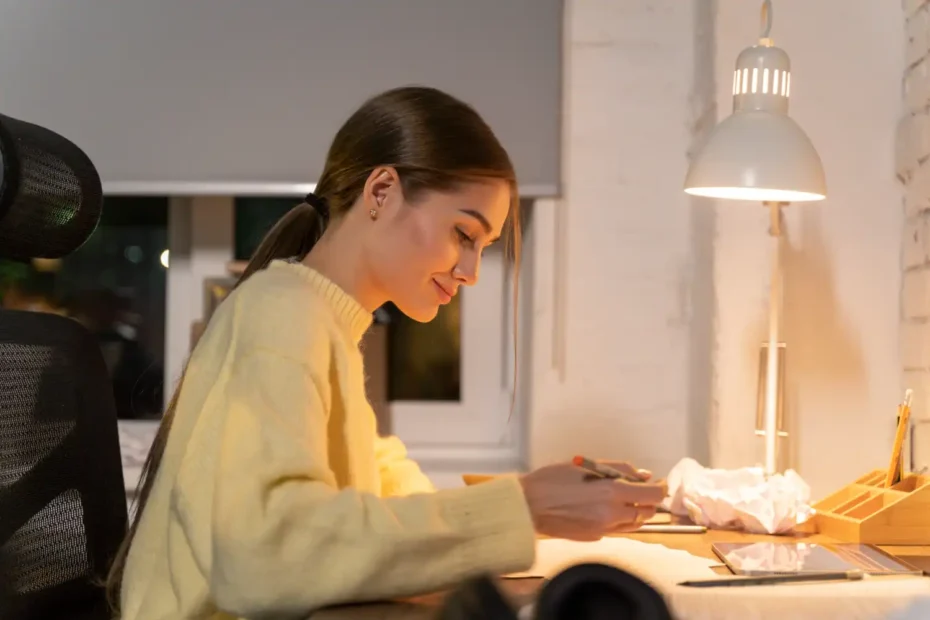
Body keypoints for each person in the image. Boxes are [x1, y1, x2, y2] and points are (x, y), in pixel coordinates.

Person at [106, 86, 667, 620]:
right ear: (381, 192)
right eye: (464, 234)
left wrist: (543, 502)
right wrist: (525, 506)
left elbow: (390, 510)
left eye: (483, 247)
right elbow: (266, 555)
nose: (470, 272)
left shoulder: (328, 328)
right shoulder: (283, 314)